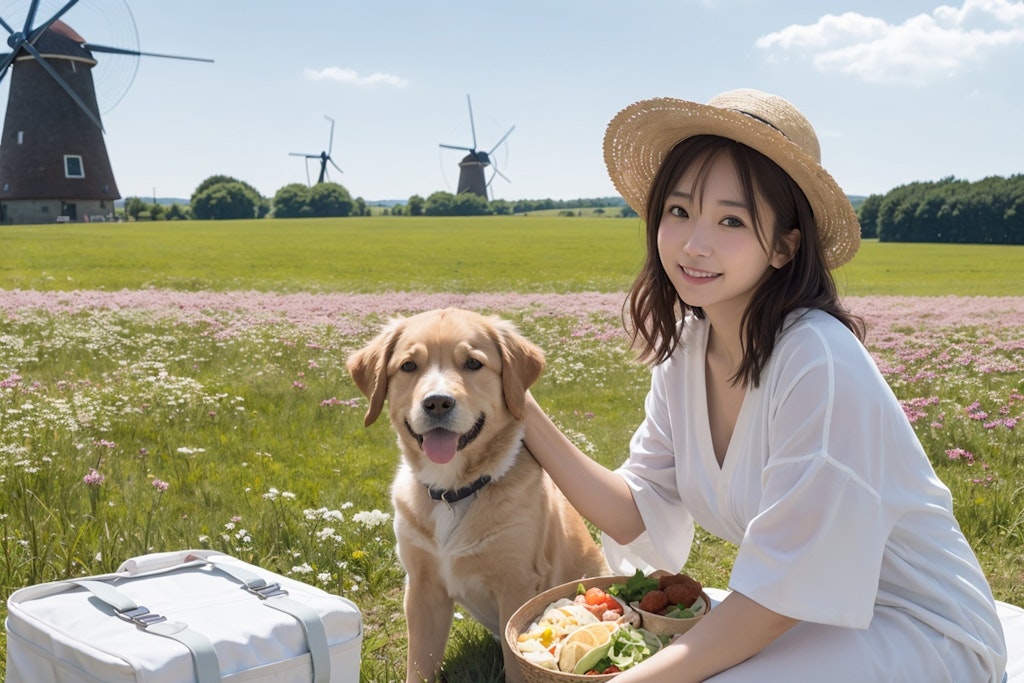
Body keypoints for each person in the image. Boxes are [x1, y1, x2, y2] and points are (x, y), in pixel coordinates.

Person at [522, 89, 1008, 682]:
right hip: (811, 618)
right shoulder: (686, 349)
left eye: (731, 220)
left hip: (919, 628)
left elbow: (779, 597)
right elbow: (634, 510)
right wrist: (519, 407)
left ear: (784, 245)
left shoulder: (817, 360)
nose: (694, 243)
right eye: (679, 211)